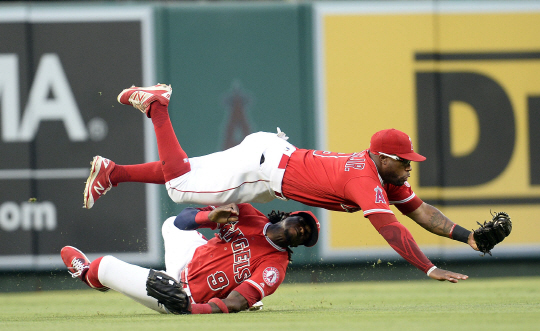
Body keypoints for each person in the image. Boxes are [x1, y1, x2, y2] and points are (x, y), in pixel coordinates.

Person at [83, 83, 472, 284]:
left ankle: (113, 173)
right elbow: (390, 229)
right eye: (405, 162)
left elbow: (419, 211)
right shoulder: (364, 178)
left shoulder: (382, 174)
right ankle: (156, 106)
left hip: (271, 164)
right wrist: (427, 266)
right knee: (180, 186)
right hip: (267, 168)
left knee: (186, 171)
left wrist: (468, 236)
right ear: (384, 158)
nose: (409, 168)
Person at [62, 202, 320, 314]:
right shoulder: (248, 214)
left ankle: (87, 275)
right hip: (187, 259)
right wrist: (209, 217)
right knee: (170, 225)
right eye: (302, 223)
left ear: (300, 244)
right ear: (289, 216)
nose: (303, 230)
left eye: (306, 236)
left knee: (104, 266)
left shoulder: (276, 266)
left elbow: (236, 302)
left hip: (181, 293)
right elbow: (182, 220)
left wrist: (188, 308)